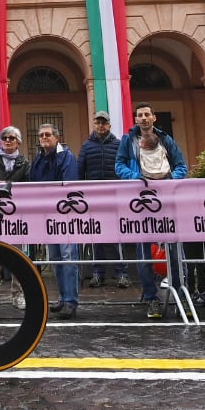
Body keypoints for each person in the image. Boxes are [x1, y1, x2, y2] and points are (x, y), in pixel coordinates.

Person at [115, 103, 188, 318]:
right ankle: (151, 298)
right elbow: (119, 165)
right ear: (135, 119)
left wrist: (171, 180)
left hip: (167, 201)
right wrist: (134, 178)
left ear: (154, 118)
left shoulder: (166, 140)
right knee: (144, 250)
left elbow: (181, 165)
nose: (144, 118)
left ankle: (179, 294)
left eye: (147, 114)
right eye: (140, 115)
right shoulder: (128, 141)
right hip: (141, 202)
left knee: (174, 249)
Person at [31, 123, 80, 320]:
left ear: (57, 137)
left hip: (65, 215)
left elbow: (68, 184)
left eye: (48, 135)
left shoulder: (67, 157)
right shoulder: (38, 158)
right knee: (56, 259)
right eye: (41, 135)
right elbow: (33, 182)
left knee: (69, 258)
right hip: (47, 216)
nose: (44, 138)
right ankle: (63, 297)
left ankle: (71, 301)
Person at [77, 111, 130, 289]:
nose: (101, 126)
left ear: (109, 125)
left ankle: (121, 273)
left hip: (115, 198)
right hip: (93, 199)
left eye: (104, 123)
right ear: (94, 124)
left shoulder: (119, 144)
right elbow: (79, 172)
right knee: (96, 237)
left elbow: (124, 168)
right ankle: (97, 273)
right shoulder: (86, 146)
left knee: (117, 237)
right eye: (98, 122)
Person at [0, 125, 31, 308]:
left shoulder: (25, 162)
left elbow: (29, 185)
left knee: (18, 254)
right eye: (4, 138)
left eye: (11, 137)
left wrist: (10, 185)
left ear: (18, 141)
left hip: (17, 214)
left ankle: (17, 294)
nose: (8, 140)